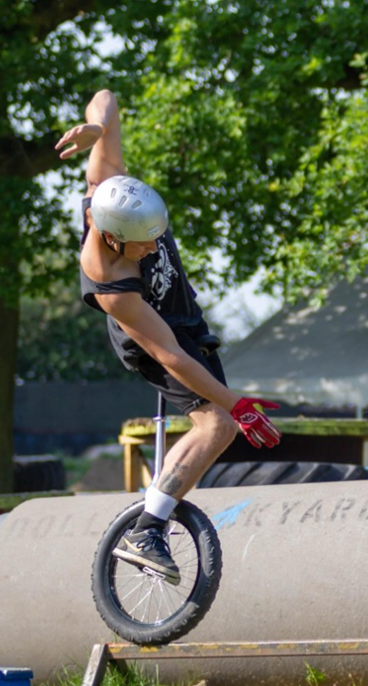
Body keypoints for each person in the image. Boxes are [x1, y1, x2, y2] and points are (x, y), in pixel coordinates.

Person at [55, 89, 281, 585]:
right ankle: (147, 530)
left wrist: (98, 129)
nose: (155, 245)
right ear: (113, 239)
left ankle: (154, 516)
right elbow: (170, 355)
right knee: (217, 425)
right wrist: (238, 406)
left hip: (184, 318)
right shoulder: (112, 286)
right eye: (145, 242)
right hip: (153, 340)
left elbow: (106, 98)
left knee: (219, 419)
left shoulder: (108, 187)